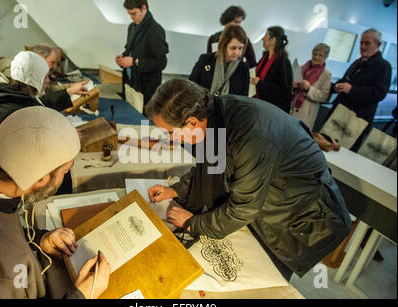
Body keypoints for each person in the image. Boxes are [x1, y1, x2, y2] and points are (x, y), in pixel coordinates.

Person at [145, 78, 352, 280]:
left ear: (191, 121)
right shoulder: (215, 115)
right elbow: (212, 167)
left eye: (170, 132)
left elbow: (243, 208)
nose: (171, 139)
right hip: (266, 198)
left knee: (266, 281)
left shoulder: (251, 136)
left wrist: (193, 223)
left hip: (300, 219)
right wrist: (176, 190)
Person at [0, 107, 110, 298]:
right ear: (39, 180)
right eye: (65, 171)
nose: (64, 176)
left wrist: (38, 240)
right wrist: (82, 294)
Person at [0, 50, 87, 146]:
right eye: (45, 76)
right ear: (34, 79)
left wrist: (68, 92)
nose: (48, 80)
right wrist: (66, 139)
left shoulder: (14, 95)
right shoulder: (10, 112)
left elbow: (37, 105)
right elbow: (27, 147)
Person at [330, 28, 392, 151]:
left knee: (343, 157)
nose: (362, 47)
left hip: (356, 121)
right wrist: (336, 87)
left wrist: (352, 90)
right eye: (361, 43)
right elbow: (345, 80)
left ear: (378, 45)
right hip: (339, 113)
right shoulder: (357, 62)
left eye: (367, 43)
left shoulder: (384, 66)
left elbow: (379, 93)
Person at [115, 0, 169, 114]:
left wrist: (134, 62)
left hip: (146, 90)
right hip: (130, 83)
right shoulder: (132, 27)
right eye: (129, 14)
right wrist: (123, 57)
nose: (131, 17)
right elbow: (133, 51)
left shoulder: (156, 30)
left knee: (143, 127)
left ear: (144, 8)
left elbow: (161, 62)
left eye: (134, 14)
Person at [189, 25, 250, 97]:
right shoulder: (205, 60)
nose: (237, 53)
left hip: (229, 108)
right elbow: (190, 88)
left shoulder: (243, 69)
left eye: (240, 48)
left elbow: (243, 99)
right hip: (203, 107)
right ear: (223, 45)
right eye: (233, 48)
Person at [251, 26, 293, 113]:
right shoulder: (265, 58)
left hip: (272, 110)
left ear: (273, 40)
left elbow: (283, 92)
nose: (263, 38)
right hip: (259, 105)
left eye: (266, 35)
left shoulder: (283, 62)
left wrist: (260, 83)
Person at [290, 43, 332, 130]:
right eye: (315, 54)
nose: (316, 57)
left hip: (307, 112)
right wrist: (293, 86)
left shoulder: (326, 74)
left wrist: (309, 88)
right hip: (292, 106)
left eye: (320, 55)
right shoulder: (301, 67)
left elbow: (324, 96)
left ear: (325, 57)